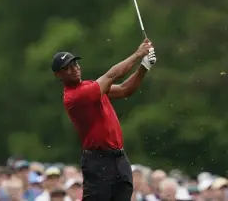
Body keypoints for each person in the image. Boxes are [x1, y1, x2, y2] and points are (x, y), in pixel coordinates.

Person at [51, 39, 157, 201]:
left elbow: (124, 90)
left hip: (119, 158)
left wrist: (144, 66)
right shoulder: (75, 96)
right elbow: (112, 75)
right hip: (98, 161)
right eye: (68, 68)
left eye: (75, 64)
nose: (74, 69)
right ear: (58, 75)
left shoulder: (89, 86)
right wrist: (138, 54)